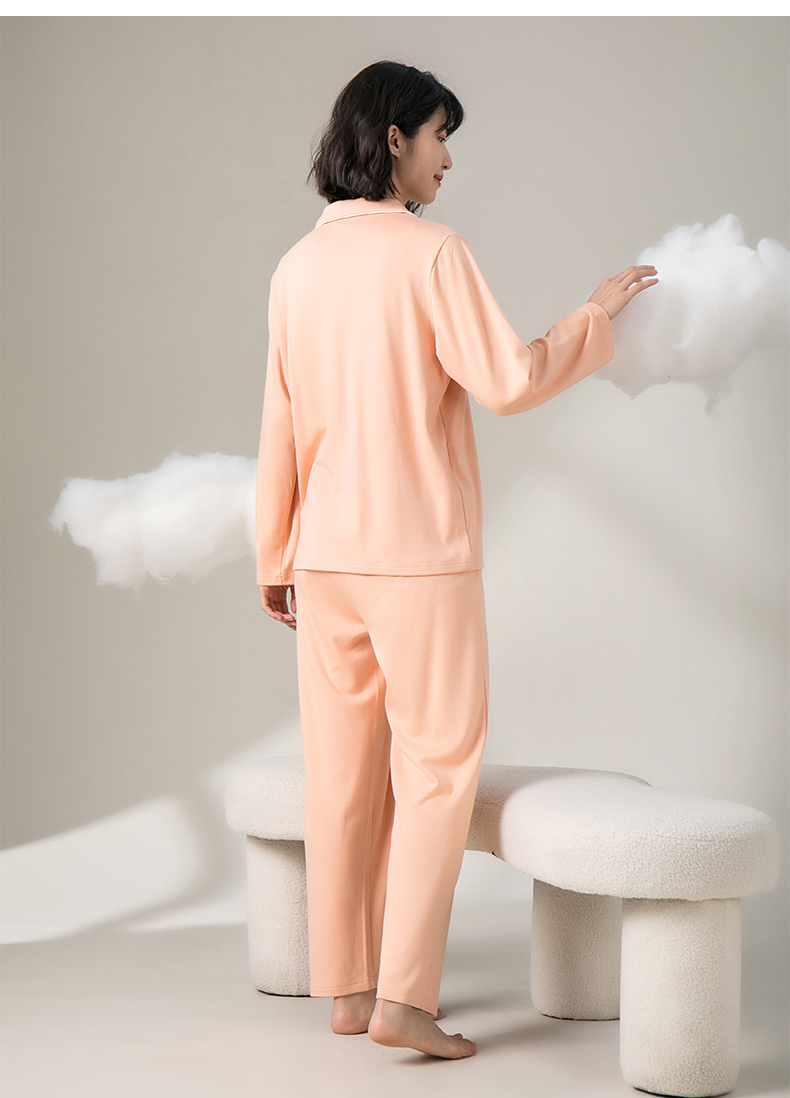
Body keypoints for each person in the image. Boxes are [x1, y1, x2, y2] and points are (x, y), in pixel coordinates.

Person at [255, 60, 658, 1061]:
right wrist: (593, 318)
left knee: (341, 776)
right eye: (440, 135)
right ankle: (404, 1000)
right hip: (419, 555)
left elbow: (279, 419)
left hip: (325, 558)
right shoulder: (431, 253)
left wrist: (274, 550)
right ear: (393, 137)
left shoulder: (296, 266)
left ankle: (349, 989)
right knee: (436, 772)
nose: (448, 158)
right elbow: (508, 380)